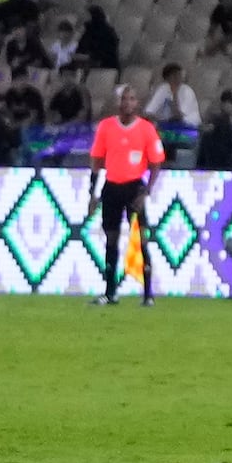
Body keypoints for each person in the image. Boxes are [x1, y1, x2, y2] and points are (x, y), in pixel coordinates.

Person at [86, 80, 165, 305]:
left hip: (134, 188)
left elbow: (156, 162)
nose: (127, 103)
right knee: (110, 239)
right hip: (111, 187)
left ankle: (148, 294)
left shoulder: (146, 129)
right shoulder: (106, 127)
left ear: (137, 103)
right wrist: (93, 193)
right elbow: (96, 159)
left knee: (141, 240)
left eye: (131, 99)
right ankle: (110, 292)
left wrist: (147, 191)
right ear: (117, 102)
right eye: (123, 98)